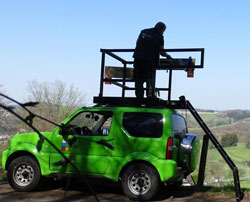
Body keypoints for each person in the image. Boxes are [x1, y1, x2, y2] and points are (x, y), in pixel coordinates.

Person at [133, 22, 172, 99]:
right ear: (161, 29)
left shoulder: (143, 31)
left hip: (138, 58)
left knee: (139, 79)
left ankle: (139, 97)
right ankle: (149, 96)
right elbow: (162, 52)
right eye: (163, 31)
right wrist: (168, 56)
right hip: (149, 61)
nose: (163, 32)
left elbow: (137, 42)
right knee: (149, 79)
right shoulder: (160, 37)